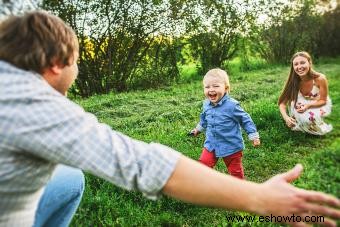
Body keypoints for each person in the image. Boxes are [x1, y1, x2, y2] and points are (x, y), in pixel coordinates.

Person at [0, 11, 339, 227]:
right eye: (76, 62)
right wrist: (261, 199)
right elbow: (142, 163)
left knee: (70, 178)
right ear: (57, 63)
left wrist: (250, 134)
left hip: (230, 147)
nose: (78, 70)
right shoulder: (31, 102)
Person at [190, 68, 260, 179]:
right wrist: (197, 129)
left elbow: (245, 119)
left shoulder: (232, 106)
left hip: (231, 145)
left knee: (235, 171)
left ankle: (239, 189)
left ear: (226, 88)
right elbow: (204, 119)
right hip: (211, 144)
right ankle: (201, 187)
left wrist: (253, 136)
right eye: (207, 87)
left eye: (216, 86)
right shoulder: (206, 104)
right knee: (203, 165)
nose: (211, 90)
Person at [278, 51, 332, 135]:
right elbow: (282, 103)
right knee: (299, 116)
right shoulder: (293, 81)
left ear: (309, 63)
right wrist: (286, 118)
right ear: (293, 67)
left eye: (302, 63)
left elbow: (323, 100)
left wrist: (308, 106)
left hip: (317, 102)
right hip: (300, 102)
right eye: (296, 64)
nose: (299, 67)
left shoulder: (320, 78)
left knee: (310, 119)